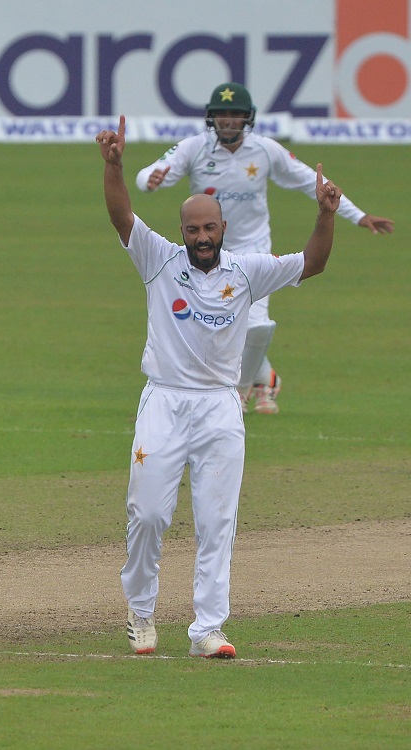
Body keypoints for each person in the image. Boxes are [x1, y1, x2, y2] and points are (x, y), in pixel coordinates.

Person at [97, 114, 341, 658]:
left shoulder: (247, 271)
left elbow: (314, 264)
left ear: (222, 229)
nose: (201, 238)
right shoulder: (159, 260)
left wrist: (325, 215)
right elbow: (121, 217)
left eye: (209, 229)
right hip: (163, 401)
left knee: (217, 521)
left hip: (219, 408)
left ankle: (208, 629)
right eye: (193, 230)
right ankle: (140, 613)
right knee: (150, 514)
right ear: (182, 232)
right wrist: (114, 166)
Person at [135, 82, 393, 414]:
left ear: (247, 119)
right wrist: (150, 181)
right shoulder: (194, 147)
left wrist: (358, 216)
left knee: (256, 325)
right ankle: (267, 378)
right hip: (206, 251)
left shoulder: (265, 149)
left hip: (252, 251)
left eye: (235, 115)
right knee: (214, 322)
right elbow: (149, 174)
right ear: (211, 119)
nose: (228, 121)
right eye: (222, 115)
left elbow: (310, 181)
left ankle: (239, 389)